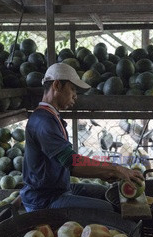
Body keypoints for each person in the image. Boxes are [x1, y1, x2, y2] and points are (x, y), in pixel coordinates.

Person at [20, 62, 144, 212]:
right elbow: (72, 162)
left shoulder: (51, 116)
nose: (75, 96)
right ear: (57, 85)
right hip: (44, 200)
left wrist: (105, 172)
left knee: (108, 194)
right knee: (107, 209)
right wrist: (114, 169)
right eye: (72, 89)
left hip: (58, 189)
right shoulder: (43, 122)